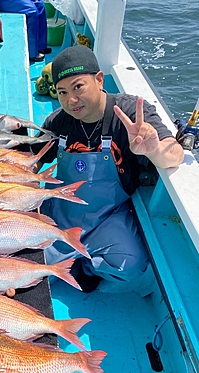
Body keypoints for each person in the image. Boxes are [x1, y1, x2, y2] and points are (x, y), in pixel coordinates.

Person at [36, 45, 184, 293]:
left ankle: (86, 268)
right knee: (28, 271)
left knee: (130, 265)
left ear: (99, 79)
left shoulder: (129, 113)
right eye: (62, 92)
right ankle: (70, 262)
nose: (71, 100)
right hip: (60, 215)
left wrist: (153, 149)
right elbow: (32, 161)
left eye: (78, 87)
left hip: (107, 217)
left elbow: (175, 153)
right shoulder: (57, 122)